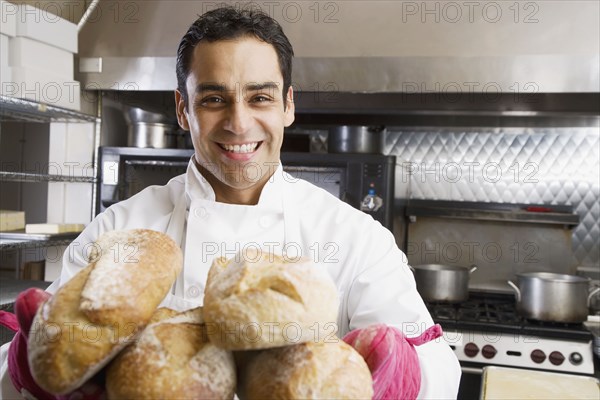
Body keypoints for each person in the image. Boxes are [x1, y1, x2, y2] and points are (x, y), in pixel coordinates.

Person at [0, 6, 461, 398]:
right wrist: (26, 366)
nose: (239, 124)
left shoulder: (353, 236)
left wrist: (394, 375)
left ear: (288, 106)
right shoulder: (122, 231)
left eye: (259, 97)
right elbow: (33, 363)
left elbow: (441, 371)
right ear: (183, 110)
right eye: (214, 99)